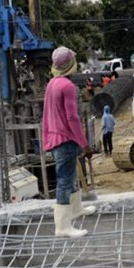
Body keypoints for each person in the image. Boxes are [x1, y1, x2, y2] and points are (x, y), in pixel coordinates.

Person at [42, 47, 96, 238]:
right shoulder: (68, 87)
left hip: (55, 137)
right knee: (64, 181)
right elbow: (73, 118)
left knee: (70, 175)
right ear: (70, 65)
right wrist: (84, 143)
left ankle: (76, 208)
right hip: (65, 139)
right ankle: (63, 226)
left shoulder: (52, 84)